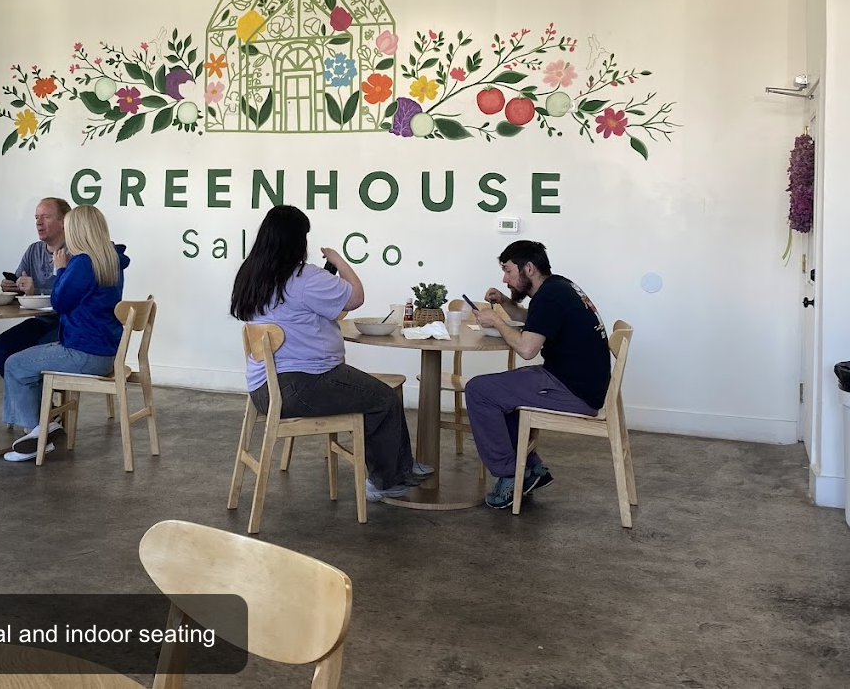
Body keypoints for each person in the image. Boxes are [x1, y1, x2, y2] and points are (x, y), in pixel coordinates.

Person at [229, 205, 429, 501]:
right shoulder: (304, 277)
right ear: (297, 240)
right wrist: (338, 260)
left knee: (373, 393)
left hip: (263, 389)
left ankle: (401, 465)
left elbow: (306, 310)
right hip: (302, 384)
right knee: (384, 399)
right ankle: (386, 481)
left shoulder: (252, 274)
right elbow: (356, 297)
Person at [466, 240, 612, 510]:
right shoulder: (558, 287)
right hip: (580, 382)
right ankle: (532, 468)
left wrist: (496, 321)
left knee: (479, 391)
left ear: (529, 268)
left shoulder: (550, 297)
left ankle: (511, 475)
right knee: (501, 392)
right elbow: (532, 319)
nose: (505, 279)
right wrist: (505, 302)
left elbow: (526, 349)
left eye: (508, 271)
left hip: (574, 391)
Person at [0, 205, 130, 462]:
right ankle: (44, 425)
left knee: (14, 364)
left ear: (78, 231)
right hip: (106, 352)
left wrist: (60, 269)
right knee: (25, 358)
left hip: (84, 352)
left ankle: (38, 435)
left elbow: (60, 303)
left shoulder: (83, 262)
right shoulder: (110, 260)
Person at [0, 197, 71, 377]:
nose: (39, 223)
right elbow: (21, 283)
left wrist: (35, 292)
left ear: (63, 222)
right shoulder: (34, 250)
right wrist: (13, 287)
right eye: (36, 218)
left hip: (67, 324)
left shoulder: (75, 252)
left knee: (30, 354)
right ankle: (34, 394)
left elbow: (70, 297)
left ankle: (39, 393)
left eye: (46, 217)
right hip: (41, 321)